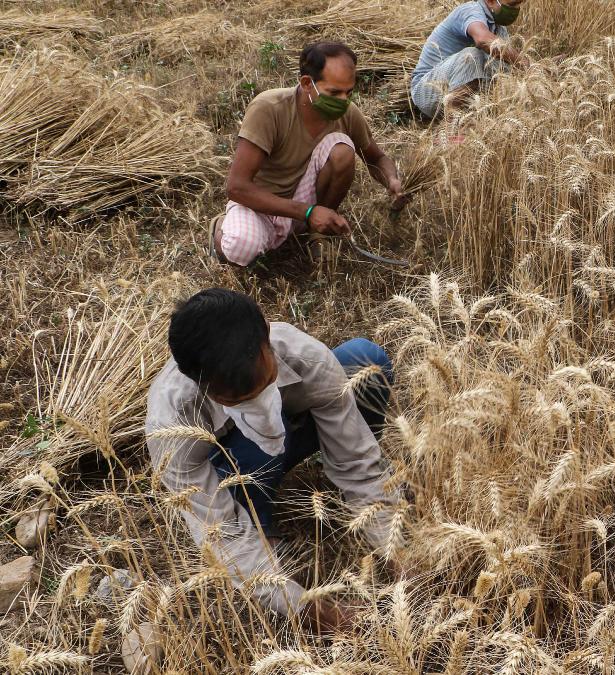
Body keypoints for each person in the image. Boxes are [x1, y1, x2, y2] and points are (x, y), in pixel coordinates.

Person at [146, 288, 401, 633]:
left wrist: (396, 546)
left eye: (264, 383)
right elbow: (224, 535)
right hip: (237, 466)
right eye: (236, 400)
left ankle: (334, 483)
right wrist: (304, 609)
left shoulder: (306, 359)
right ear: (197, 381)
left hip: (297, 429)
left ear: (266, 333)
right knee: (249, 471)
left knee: (365, 361)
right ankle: (257, 514)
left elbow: (359, 463)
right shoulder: (172, 422)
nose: (258, 404)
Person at [213, 42, 410, 266]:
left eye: (349, 92)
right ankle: (221, 229)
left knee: (342, 148)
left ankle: (318, 234)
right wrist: (307, 212)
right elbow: (237, 187)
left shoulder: (348, 113)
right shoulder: (269, 109)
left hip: (305, 204)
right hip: (262, 204)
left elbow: (376, 158)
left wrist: (391, 180)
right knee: (242, 248)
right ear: (307, 83)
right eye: (334, 92)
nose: (343, 101)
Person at [410, 0, 529, 120]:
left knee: (501, 70)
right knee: (471, 56)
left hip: (450, 88)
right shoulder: (470, 11)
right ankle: (454, 128)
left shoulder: (499, 29)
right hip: (427, 90)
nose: (516, 10)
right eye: (512, 5)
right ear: (491, 1)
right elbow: (483, 40)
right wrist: (522, 61)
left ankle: (469, 120)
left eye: (519, 4)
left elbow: (504, 69)